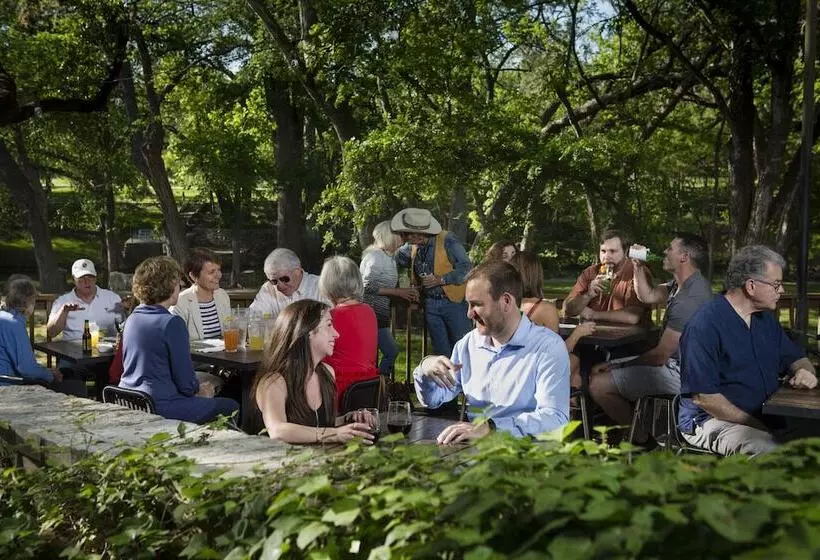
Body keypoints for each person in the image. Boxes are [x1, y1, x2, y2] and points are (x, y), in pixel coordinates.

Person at [678, 245, 818, 456]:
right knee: (769, 449)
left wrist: (806, 372)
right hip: (713, 419)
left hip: (765, 416)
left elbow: (797, 358)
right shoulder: (705, 325)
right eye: (776, 284)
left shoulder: (765, 321)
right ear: (751, 286)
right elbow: (705, 398)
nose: (781, 291)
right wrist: (759, 426)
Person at [414, 260, 570, 444]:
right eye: (468, 305)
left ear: (506, 302)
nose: (469, 314)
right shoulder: (468, 345)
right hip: (474, 450)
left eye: (476, 304)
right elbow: (433, 401)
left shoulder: (547, 347)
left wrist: (492, 428)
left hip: (529, 451)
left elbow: (556, 420)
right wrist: (424, 369)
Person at [588, 233, 713, 430]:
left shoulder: (690, 297)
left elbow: (660, 356)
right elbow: (647, 295)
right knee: (600, 369)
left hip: (684, 374)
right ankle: (636, 428)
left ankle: (640, 436)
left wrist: (617, 366)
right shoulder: (682, 285)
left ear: (684, 257)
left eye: (670, 248)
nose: (664, 251)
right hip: (676, 364)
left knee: (599, 384)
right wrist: (637, 267)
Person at [120, 257, 238, 424]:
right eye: (177, 282)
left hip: (129, 399)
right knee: (230, 406)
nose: (181, 285)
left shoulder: (133, 318)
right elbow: (187, 384)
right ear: (169, 285)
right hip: (161, 405)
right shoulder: (172, 323)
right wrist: (201, 392)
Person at [253, 299, 376, 444]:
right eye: (329, 325)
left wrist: (348, 420)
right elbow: (277, 430)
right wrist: (335, 434)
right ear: (308, 331)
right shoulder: (274, 382)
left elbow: (318, 424)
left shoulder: (327, 373)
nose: (336, 334)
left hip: (318, 457)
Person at [392, 208, 472, 357]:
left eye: (406, 233)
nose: (404, 236)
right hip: (430, 304)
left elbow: (466, 268)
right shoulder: (411, 246)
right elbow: (396, 259)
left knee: (463, 348)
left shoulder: (447, 239)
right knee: (441, 352)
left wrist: (440, 279)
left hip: (453, 302)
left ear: (417, 234)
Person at [510, 250, 594, 389]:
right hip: (534, 375)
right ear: (536, 276)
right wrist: (578, 333)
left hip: (511, 370)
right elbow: (556, 353)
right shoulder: (544, 309)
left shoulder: (503, 305)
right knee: (574, 361)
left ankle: (571, 399)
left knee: (573, 365)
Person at [0, 276, 86, 396]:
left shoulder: (3, 317)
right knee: (78, 387)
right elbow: (26, 369)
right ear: (28, 302)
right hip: (9, 386)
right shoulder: (13, 324)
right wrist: (51, 375)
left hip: (7, 379)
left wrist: (45, 371)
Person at [318, 256, 380, 408]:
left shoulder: (330, 317)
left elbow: (314, 354)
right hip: (368, 388)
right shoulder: (369, 311)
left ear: (328, 285)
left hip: (338, 391)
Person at [360, 221, 420, 376]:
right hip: (370, 315)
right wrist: (397, 292)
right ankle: (378, 383)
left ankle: (379, 384)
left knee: (383, 353)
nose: (403, 238)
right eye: (399, 235)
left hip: (379, 316)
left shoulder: (388, 257)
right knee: (389, 352)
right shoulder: (376, 257)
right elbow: (366, 286)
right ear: (389, 236)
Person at [562, 230, 649, 324]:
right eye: (603, 251)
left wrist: (593, 315)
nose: (606, 256)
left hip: (628, 332)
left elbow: (632, 317)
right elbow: (567, 309)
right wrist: (587, 295)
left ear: (626, 252)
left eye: (613, 251)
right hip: (594, 331)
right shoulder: (590, 272)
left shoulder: (637, 272)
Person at [47, 258, 126, 340]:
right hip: (71, 347)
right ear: (73, 279)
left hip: (106, 346)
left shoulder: (112, 298)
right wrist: (64, 311)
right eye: (81, 278)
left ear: (96, 278)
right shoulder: (62, 301)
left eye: (90, 277)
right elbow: (51, 333)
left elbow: (125, 327)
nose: (87, 282)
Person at [248, 248, 327, 321]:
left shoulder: (322, 286)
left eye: (284, 279)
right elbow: (252, 318)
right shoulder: (268, 288)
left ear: (297, 271)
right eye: (274, 281)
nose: (279, 286)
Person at [171, 248, 231, 341]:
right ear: (193, 276)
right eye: (211, 272)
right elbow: (177, 341)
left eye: (218, 270)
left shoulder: (222, 296)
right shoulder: (180, 303)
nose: (219, 275)